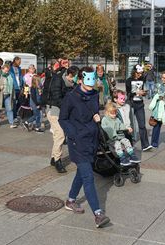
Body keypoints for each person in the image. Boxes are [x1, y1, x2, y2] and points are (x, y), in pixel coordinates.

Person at [59, 67, 110, 228]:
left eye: (92, 80)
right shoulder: (71, 97)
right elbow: (63, 119)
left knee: (82, 173)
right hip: (77, 142)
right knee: (88, 176)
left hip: (91, 141)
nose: (91, 84)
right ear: (80, 80)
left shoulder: (94, 94)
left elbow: (94, 113)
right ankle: (98, 213)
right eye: (87, 80)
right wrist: (73, 134)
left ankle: (71, 200)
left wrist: (97, 117)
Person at [46, 66, 78, 173]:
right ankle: (58, 160)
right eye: (74, 78)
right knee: (60, 135)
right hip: (54, 111)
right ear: (69, 75)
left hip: (63, 112)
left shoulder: (73, 84)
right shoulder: (58, 80)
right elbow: (57, 98)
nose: (75, 81)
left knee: (57, 135)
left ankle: (53, 158)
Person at [101, 101, 141, 166]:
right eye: (112, 113)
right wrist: (113, 133)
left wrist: (127, 128)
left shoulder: (117, 119)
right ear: (107, 113)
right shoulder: (105, 120)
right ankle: (122, 158)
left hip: (119, 137)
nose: (114, 115)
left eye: (115, 113)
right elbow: (105, 129)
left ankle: (132, 155)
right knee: (117, 144)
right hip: (111, 138)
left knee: (127, 141)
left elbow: (121, 125)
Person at [125, 64, 152, 152]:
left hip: (140, 104)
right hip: (131, 103)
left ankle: (145, 145)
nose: (140, 74)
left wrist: (144, 93)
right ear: (134, 72)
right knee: (130, 126)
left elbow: (147, 76)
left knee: (142, 125)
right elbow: (128, 93)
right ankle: (129, 145)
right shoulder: (128, 80)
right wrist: (137, 93)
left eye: (141, 73)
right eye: (138, 73)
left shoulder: (142, 79)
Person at [10, 56, 24, 121]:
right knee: (14, 103)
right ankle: (14, 116)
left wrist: (23, 86)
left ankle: (16, 114)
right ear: (15, 61)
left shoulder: (19, 69)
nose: (20, 63)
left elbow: (21, 77)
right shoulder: (10, 69)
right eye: (19, 62)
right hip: (13, 88)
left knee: (20, 102)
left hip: (19, 87)